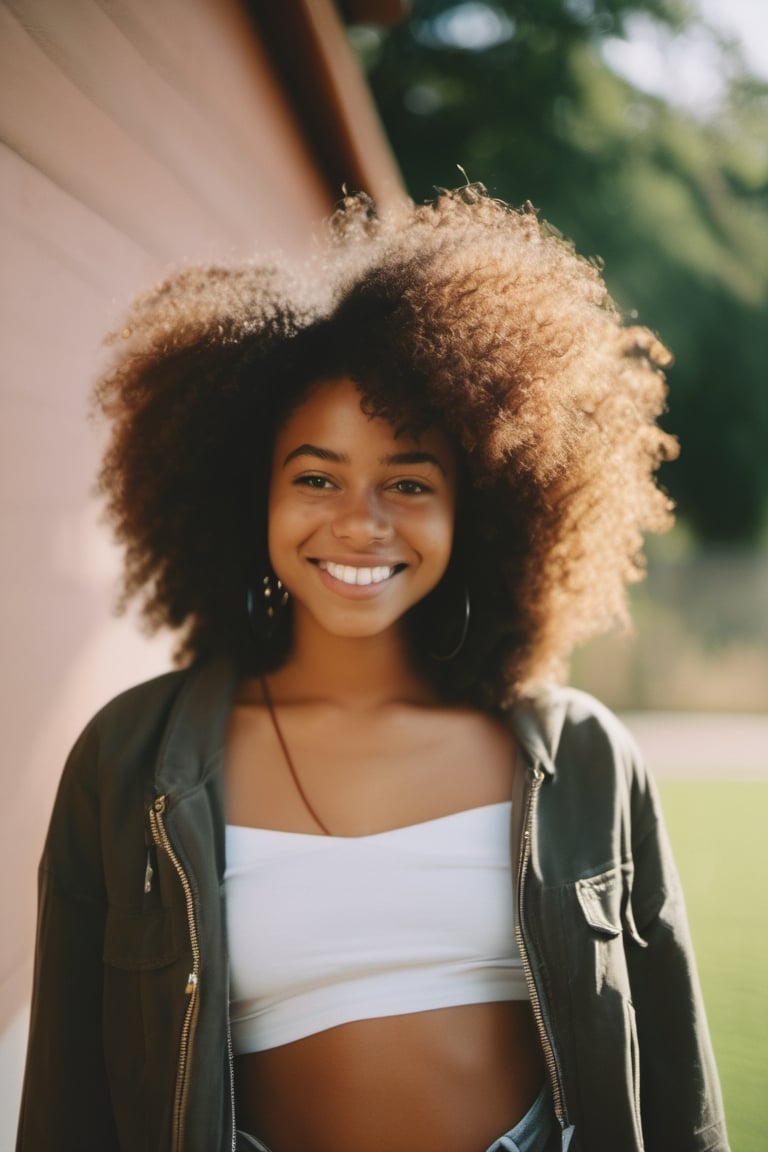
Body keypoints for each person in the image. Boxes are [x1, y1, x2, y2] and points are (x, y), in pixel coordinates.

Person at [16, 185, 729, 1152]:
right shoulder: (129, 760)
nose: (361, 522)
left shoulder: (587, 758)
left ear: (480, 508)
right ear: (245, 494)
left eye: (409, 482)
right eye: (316, 477)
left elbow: (678, 1092)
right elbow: (68, 1099)